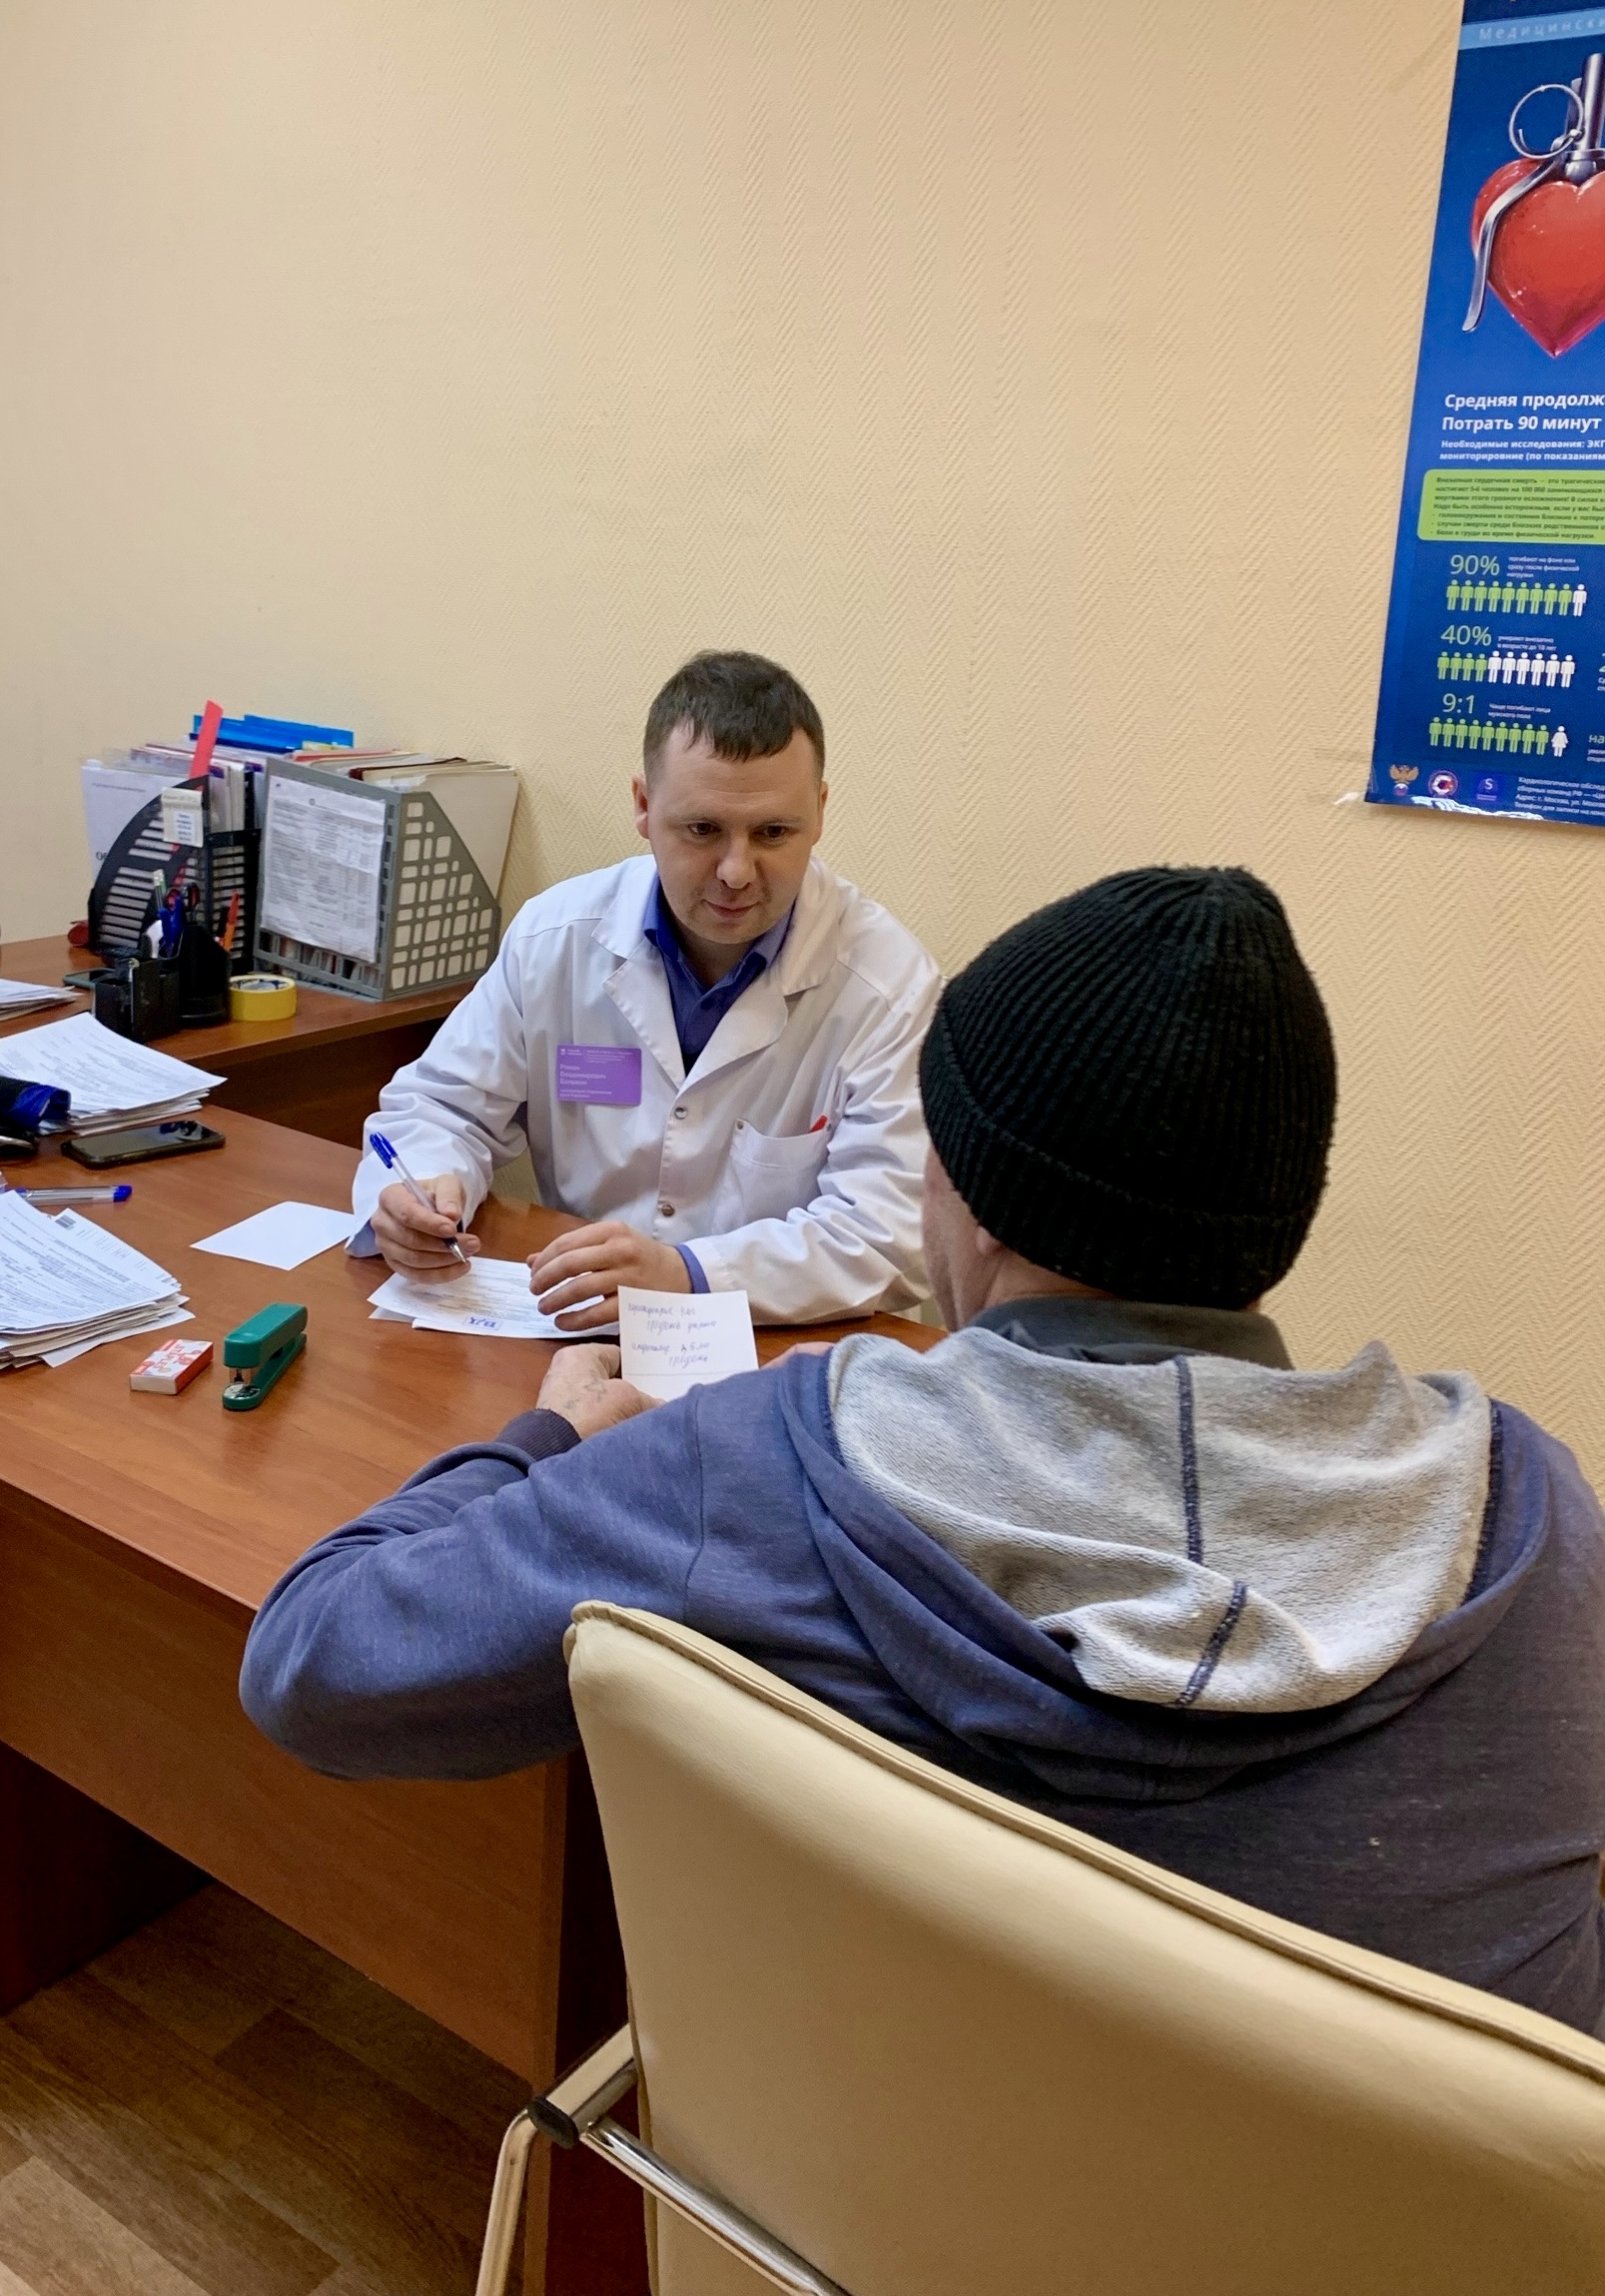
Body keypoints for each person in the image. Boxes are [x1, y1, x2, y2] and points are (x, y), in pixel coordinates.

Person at [243, 867, 1605, 2034]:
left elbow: (314, 1658)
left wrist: (544, 1438)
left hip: (851, 2188)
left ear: (968, 1197)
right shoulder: (1530, 1511)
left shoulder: (767, 1463)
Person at [350, 651, 940, 1324]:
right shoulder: (555, 937)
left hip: (782, 1346)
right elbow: (442, 1108)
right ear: (643, 805)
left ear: (821, 811)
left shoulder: (889, 987)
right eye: (702, 829)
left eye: (773, 832)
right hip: (576, 1323)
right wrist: (422, 1190)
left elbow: (890, 1234)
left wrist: (686, 1273)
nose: (736, 871)